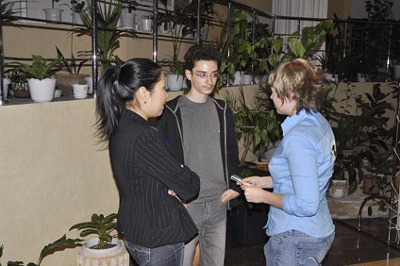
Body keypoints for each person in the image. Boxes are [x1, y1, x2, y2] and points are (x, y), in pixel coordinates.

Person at [95, 58, 200, 266]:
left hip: (138, 232)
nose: (166, 95)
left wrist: (169, 181)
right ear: (143, 93)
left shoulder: (121, 126)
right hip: (158, 237)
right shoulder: (144, 135)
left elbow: (146, 177)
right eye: (163, 88)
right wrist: (178, 176)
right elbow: (189, 185)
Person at [240, 58, 336, 266]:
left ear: (291, 95)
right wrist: (265, 181)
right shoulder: (317, 121)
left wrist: (263, 196)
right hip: (317, 228)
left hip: (296, 235)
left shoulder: (298, 139)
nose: (271, 97)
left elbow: (306, 204)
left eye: (274, 92)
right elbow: (307, 176)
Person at [158, 44, 241, 266]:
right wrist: (173, 194)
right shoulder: (170, 111)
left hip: (218, 202)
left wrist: (235, 187)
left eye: (213, 75)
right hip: (187, 205)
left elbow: (232, 151)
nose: (209, 81)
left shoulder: (222, 110)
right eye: (202, 74)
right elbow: (163, 157)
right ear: (188, 74)